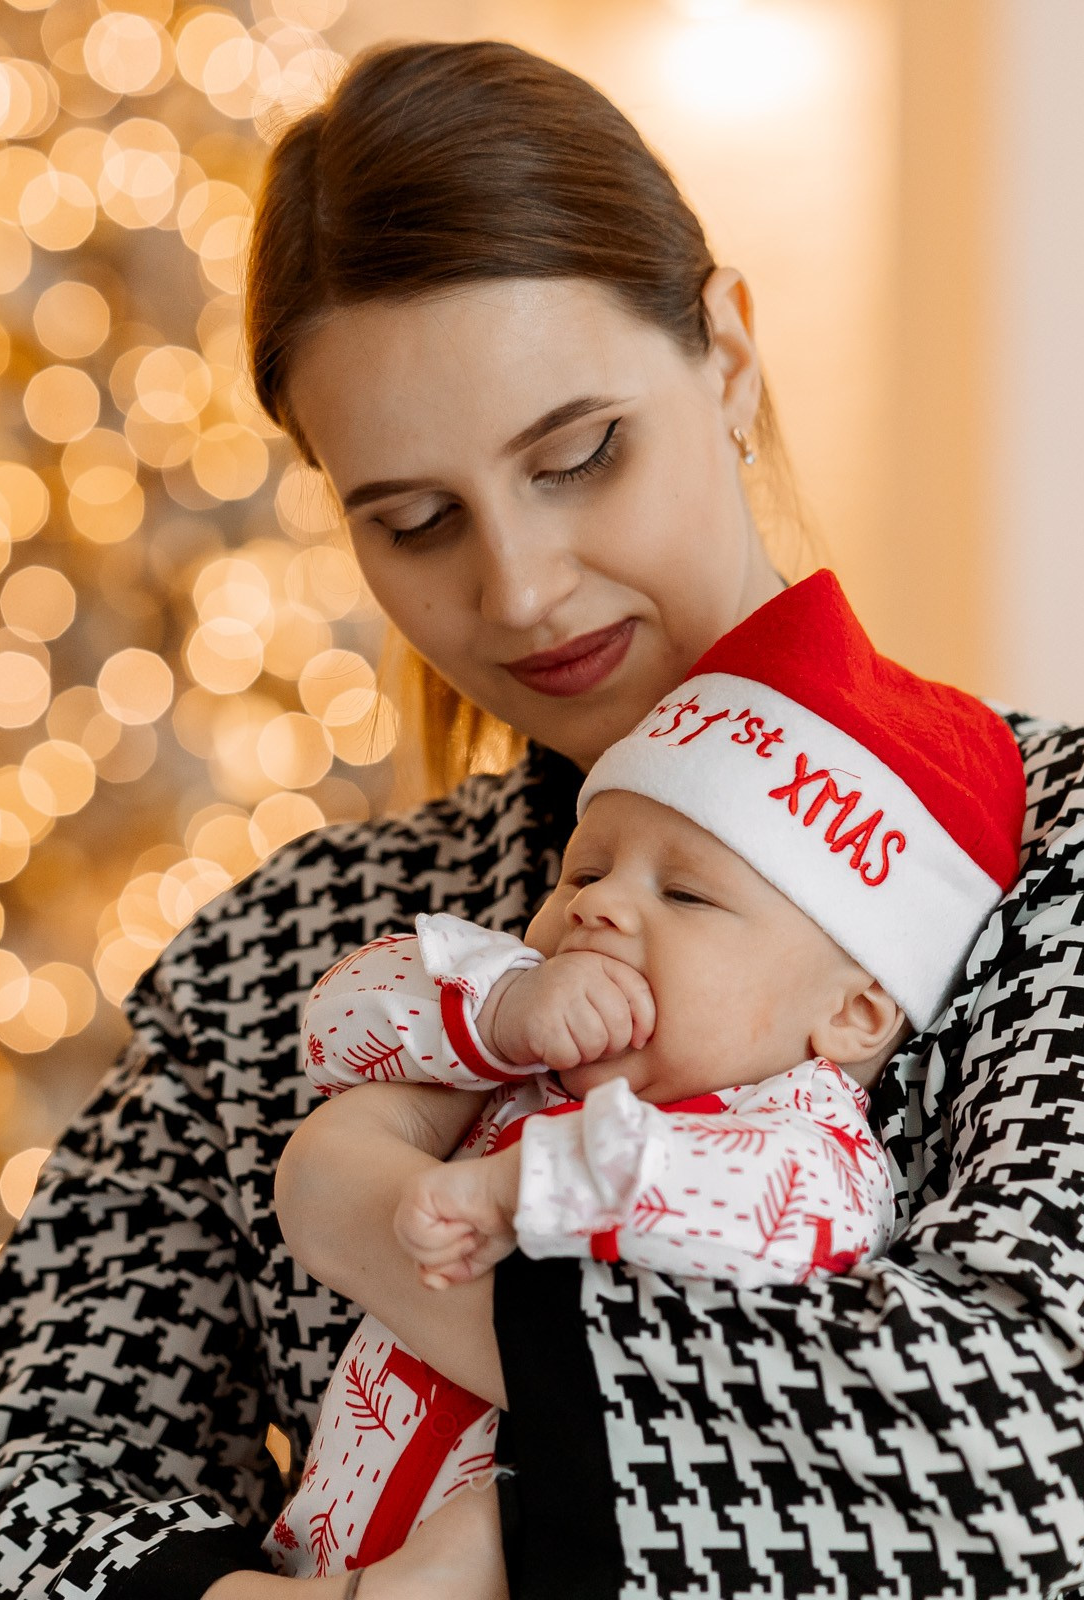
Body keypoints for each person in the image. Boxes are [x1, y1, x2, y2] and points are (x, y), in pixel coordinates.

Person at [0, 39, 1084, 1600]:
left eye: (579, 455)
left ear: (725, 356)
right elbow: (7, 1494)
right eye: (416, 519)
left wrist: (379, 1229)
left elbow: (1050, 1464)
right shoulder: (282, 949)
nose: (516, 588)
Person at [266, 571, 1027, 1577]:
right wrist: (498, 1011)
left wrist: (524, 1181)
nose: (598, 906)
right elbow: (335, 1021)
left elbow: (721, 1201)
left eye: (685, 893)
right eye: (586, 869)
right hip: (313, 1551)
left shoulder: (814, 1147)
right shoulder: (531, 1056)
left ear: (849, 1013)